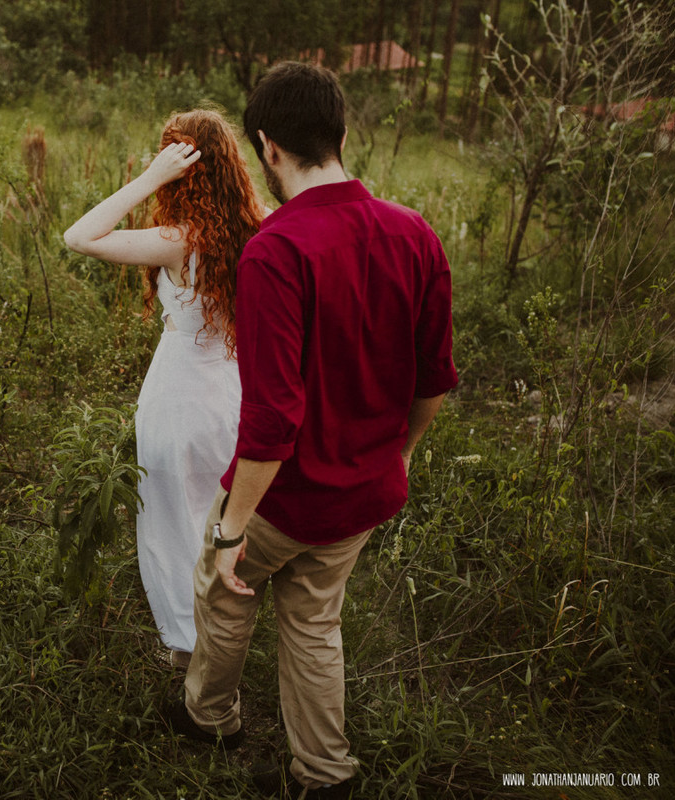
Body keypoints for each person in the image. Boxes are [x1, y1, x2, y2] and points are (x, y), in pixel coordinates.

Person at [163, 62, 458, 800]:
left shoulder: (276, 251)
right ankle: (325, 774)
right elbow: (434, 379)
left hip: (284, 497)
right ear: (343, 133)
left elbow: (272, 420)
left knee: (226, 590)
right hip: (362, 491)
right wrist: (401, 456)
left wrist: (232, 526)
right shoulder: (414, 233)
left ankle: (211, 718)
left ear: (267, 146)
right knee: (315, 623)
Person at [63, 109, 267, 667]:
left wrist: (150, 178)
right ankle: (228, 636)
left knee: (173, 526)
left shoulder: (179, 239)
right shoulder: (261, 226)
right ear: (231, 165)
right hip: (235, 396)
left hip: (179, 401)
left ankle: (190, 650)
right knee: (222, 521)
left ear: (179, 168)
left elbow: (78, 236)